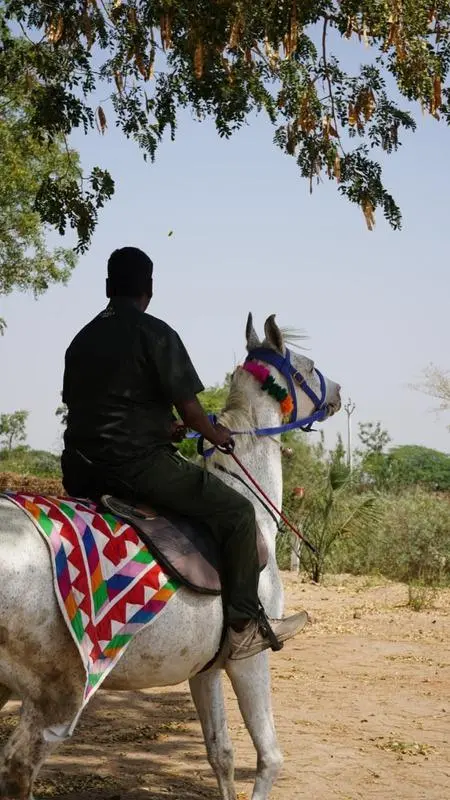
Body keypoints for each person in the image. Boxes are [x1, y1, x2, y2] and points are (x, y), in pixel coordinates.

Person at [61, 247, 306, 660]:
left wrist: (162, 427)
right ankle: (244, 625)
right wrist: (215, 432)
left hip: (81, 471)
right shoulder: (156, 334)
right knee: (238, 514)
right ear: (149, 290)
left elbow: (102, 410)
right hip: (138, 469)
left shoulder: (80, 339)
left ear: (107, 286)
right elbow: (192, 411)